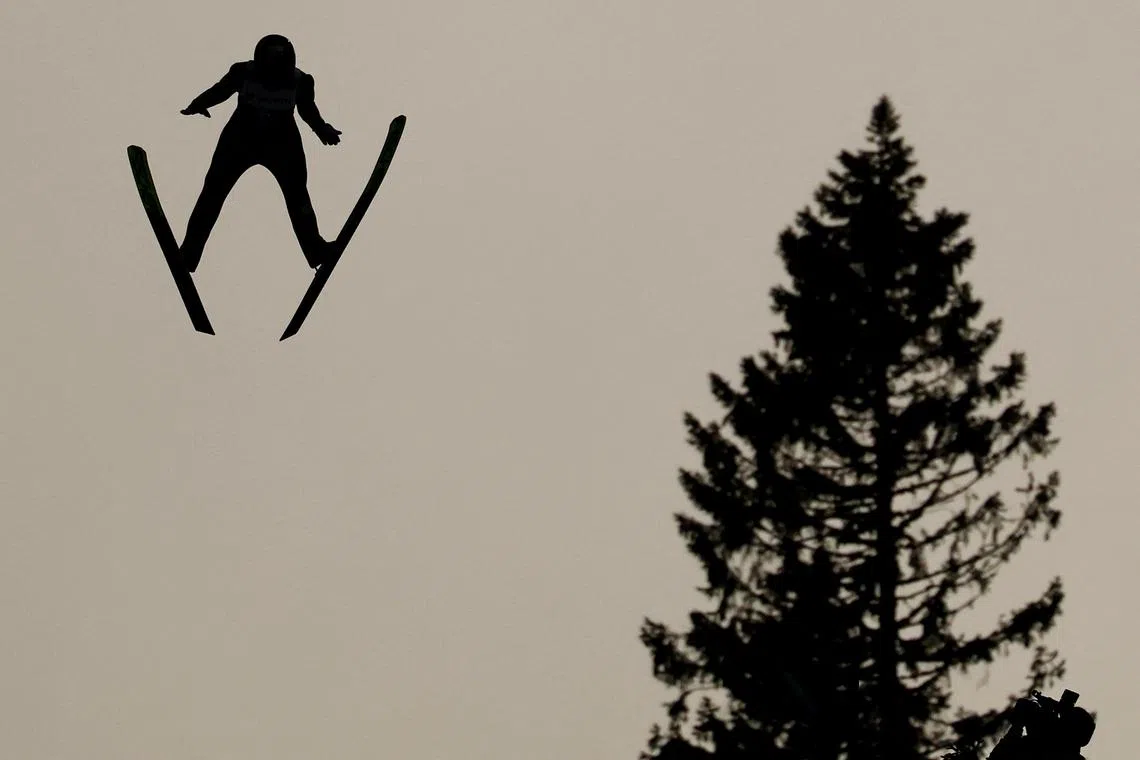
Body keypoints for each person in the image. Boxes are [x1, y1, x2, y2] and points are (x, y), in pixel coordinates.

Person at [178, 34, 342, 272]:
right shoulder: (243, 72)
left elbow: (308, 110)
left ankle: (315, 250)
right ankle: (189, 254)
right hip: (240, 140)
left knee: (297, 196)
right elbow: (220, 90)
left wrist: (322, 130)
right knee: (213, 192)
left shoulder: (300, 81)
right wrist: (199, 103)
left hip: (282, 143)